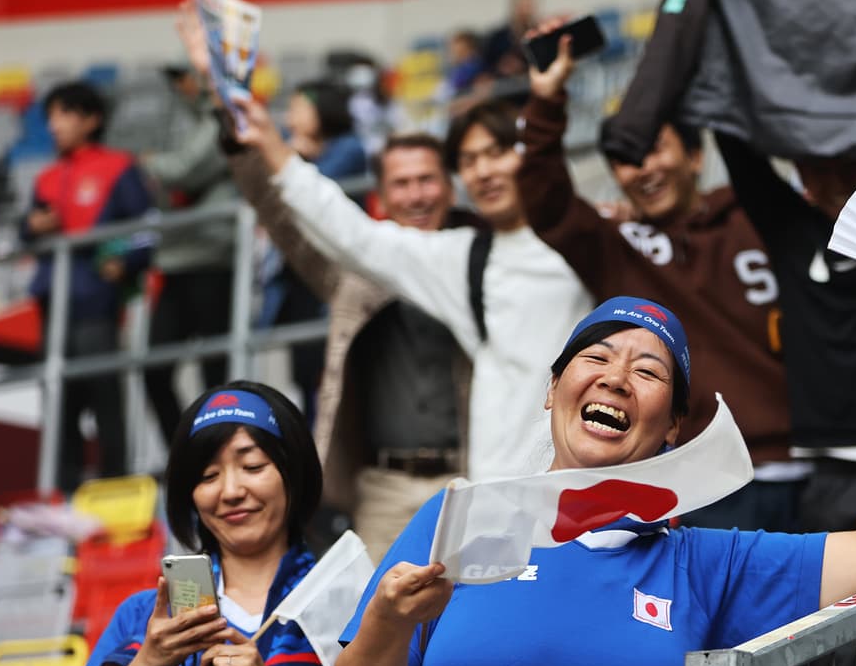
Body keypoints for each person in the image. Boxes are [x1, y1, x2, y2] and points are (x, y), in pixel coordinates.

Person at [335, 290, 856, 666]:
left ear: (673, 425)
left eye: (648, 370)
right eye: (595, 358)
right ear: (552, 388)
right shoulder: (464, 518)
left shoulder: (702, 562)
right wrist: (389, 621)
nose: (617, 377)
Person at [520, 25, 803, 530]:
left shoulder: (759, 216)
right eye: (624, 160)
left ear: (695, 156)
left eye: (653, 148)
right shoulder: (618, 246)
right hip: (702, 480)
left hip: (812, 463)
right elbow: (547, 201)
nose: (640, 169)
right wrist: (546, 101)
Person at [227, 92, 591, 480]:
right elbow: (351, 233)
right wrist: (268, 142)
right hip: (488, 493)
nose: (484, 171)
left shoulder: (591, 239)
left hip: (577, 482)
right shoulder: (462, 257)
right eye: (469, 161)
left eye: (497, 152)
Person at [73, 381, 386, 666]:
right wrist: (147, 665)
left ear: (293, 472)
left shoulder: (347, 605)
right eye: (207, 476)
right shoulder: (142, 617)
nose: (231, 491)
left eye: (252, 466)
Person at [231, 132, 476, 563]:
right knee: (377, 625)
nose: (416, 194)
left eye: (427, 179)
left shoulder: (485, 262)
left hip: (476, 477)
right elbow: (279, 214)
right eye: (402, 183)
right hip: (383, 488)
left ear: (450, 187)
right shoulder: (353, 270)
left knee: (476, 623)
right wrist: (238, 139)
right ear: (380, 196)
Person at [21, 80, 154, 490]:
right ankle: (63, 496)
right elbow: (26, 229)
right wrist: (33, 226)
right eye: (51, 117)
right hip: (52, 303)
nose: (54, 125)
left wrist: (125, 262)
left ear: (91, 119)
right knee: (58, 405)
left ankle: (115, 491)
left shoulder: (118, 167)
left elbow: (147, 230)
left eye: (64, 114)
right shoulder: (45, 177)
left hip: (96, 303)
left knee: (105, 399)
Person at [257, 79, 367, 426]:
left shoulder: (349, 147)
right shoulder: (299, 151)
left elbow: (310, 195)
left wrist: (295, 159)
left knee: (331, 372)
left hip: (334, 275)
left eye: (297, 108)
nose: (289, 118)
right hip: (297, 278)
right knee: (306, 375)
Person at [139, 64, 237, 447]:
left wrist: (145, 164)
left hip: (213, 260)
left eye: (186, 75)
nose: (179, 85)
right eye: (175, 78)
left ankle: (222, 453)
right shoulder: (189, 123)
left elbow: (183, 170)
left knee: (216, 378)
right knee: (155, 372)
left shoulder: (222, 121)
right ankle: (189, 454)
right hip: (177, 260)